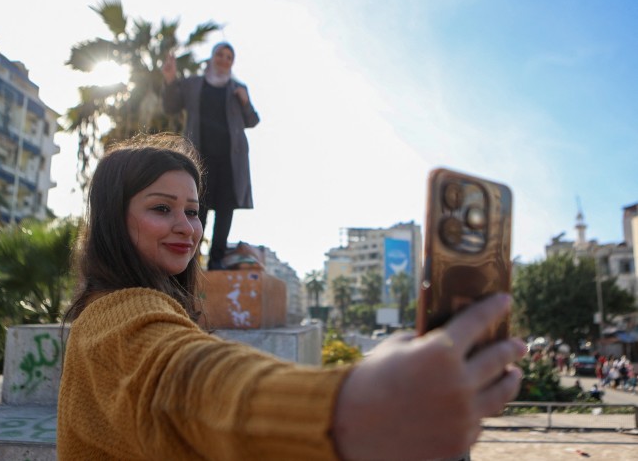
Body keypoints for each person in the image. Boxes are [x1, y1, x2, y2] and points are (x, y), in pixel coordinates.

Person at [57, 134, 526, 460]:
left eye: (194, 211)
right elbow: (185, 385)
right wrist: (354, 408)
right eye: (162, 209)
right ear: (115, 221)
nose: (187, 227)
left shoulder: (144, 306)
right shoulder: (116, 319)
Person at [161, 41, 259, 270]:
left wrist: (245, 101)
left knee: (226, 210)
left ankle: (216, 262)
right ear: (212, 57)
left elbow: (252, 120)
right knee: (196, 208)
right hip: (199, 158)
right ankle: (190, 263)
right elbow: (170, 106)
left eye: (229, 57)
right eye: (220, 55)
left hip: (230, 161)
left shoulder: (237, 87)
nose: (224, 60)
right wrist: (169, 79)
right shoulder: (193, 84)